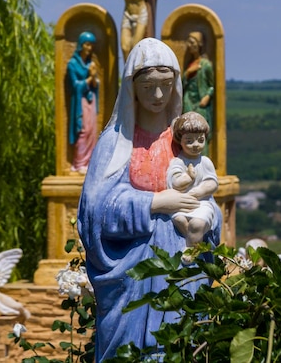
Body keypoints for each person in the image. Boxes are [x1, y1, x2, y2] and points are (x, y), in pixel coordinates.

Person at [78, 38, 221, 362]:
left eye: (166, 86)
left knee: (178, 348)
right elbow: (94, 212)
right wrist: (154, 204)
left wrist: (204, 212)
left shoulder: (184, 140)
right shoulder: (115, 143)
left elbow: (206, 194)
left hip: (180, 269)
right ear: (133, 88)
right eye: (148, 87)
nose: (158, 96)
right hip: (132, 278)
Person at [168, 112, 219, 264]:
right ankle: (199, 242)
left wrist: (199, 191)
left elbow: (212, 183)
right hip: (182, 202)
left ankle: (192, 250)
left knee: (197, 224)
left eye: (200, 140)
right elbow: (175, 183)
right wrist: (188, 178)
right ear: (180, 140)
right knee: (179, 219)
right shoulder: (178, 162)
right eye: (189, 141)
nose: (196, 145)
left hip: (202, 203)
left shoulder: (205, 162)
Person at [67, 31, 99, 173]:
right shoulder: (72, 64)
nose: (89, 48)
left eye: (91, 45)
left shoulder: (90, 64)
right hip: (80, 102)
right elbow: (75, 86)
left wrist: (93, 78)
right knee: (83, 131)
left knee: (92, 131)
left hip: (90, 100)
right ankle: (79, 163)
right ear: (81, 45)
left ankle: (89, 162)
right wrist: (89, 78)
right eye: (87, 44)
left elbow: (95, 84)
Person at [182, 31, 214, 155]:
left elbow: (212, 86)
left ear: (199, 44)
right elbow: (182, 84)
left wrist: (207, 96)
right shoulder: (190, 65)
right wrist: (188, 73)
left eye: (192, 42)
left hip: (200, 103)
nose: (189, 45)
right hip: (188, 100)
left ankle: (203, 163)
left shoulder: (206, 65)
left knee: (200, 132)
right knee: (188, 131)